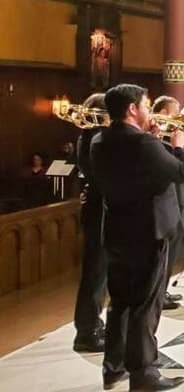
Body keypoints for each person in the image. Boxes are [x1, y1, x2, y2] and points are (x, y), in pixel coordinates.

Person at [91, 84, 184, 390]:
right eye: (146, 105)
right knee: (146, 304)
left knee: (119, 301)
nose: (149, 111)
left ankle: (114, 367)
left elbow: (139, 171)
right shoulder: (144, 144)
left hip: (118, 231)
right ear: (133, 109)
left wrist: (154, 141)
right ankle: (144, 372)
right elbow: (180, 172)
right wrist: (178, 146)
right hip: (150, 232)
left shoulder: (99, 139)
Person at [72, 93, 108, 353]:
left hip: (98, 206)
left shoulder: (93, 136)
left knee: (100, 272)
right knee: (95, 272)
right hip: (98, 209)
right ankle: (86, 331)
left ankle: (93, 322)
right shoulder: (94, 138)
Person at [151, 95, 184, 311]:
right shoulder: (157, 141)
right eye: (177, 111)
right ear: (163, 113)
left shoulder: (169, 138)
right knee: (166, 251)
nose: (181, 116)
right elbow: (175, 168)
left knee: (173, 252)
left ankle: (162, 290)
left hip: (180, 197)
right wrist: (178, 148)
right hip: (169, 199)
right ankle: (158, 293)